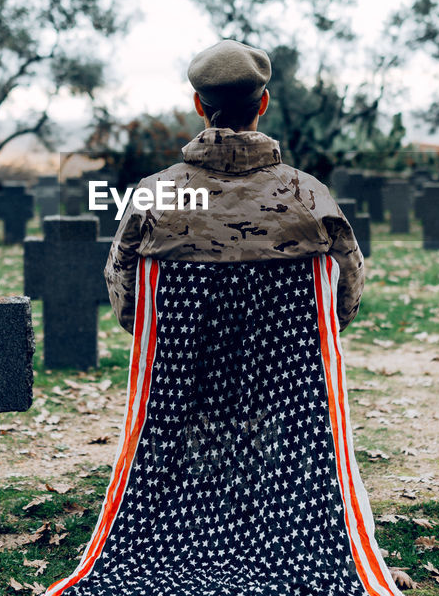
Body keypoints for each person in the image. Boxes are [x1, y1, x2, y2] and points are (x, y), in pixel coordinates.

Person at [46, 40, 403, 596]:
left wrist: (181, 339)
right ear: (263, 105)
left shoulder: (157, 196)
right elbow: (344, 298)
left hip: (181, 385)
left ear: (197, 105)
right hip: (285, 386)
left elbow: (126, 298)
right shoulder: (308, 196)